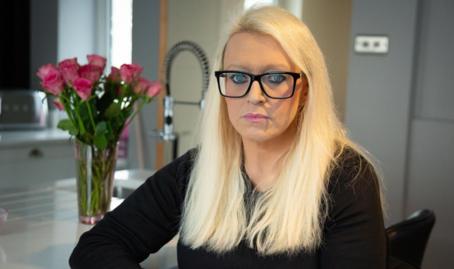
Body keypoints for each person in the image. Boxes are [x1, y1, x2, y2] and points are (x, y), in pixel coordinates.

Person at [70, 6, 386, 269]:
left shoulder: (346, 179)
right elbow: (98, 245)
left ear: (304, 90)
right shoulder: (196, 171)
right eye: (237, 77)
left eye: (275, 78)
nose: (254, 95)